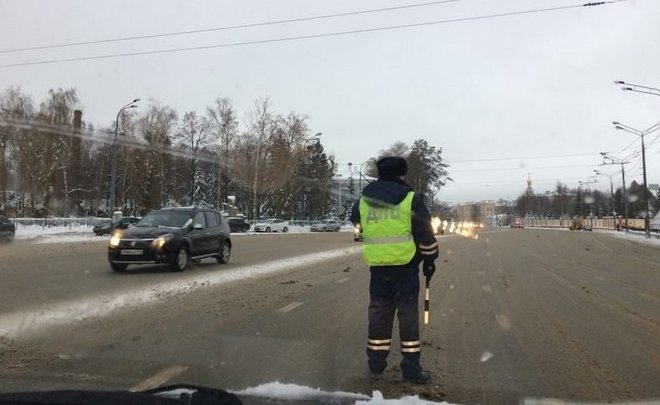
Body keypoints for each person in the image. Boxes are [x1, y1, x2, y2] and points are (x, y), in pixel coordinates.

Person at [350, 156, 439, 384]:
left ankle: (376, 363)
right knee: (407, 315)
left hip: (378, 268)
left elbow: (355, 221)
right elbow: (424, 233)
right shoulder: (410, 199)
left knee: (379, 313)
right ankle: (411, 368)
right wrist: (430, 259)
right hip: (406, 267)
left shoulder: (364, 199)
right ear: (402, 174)